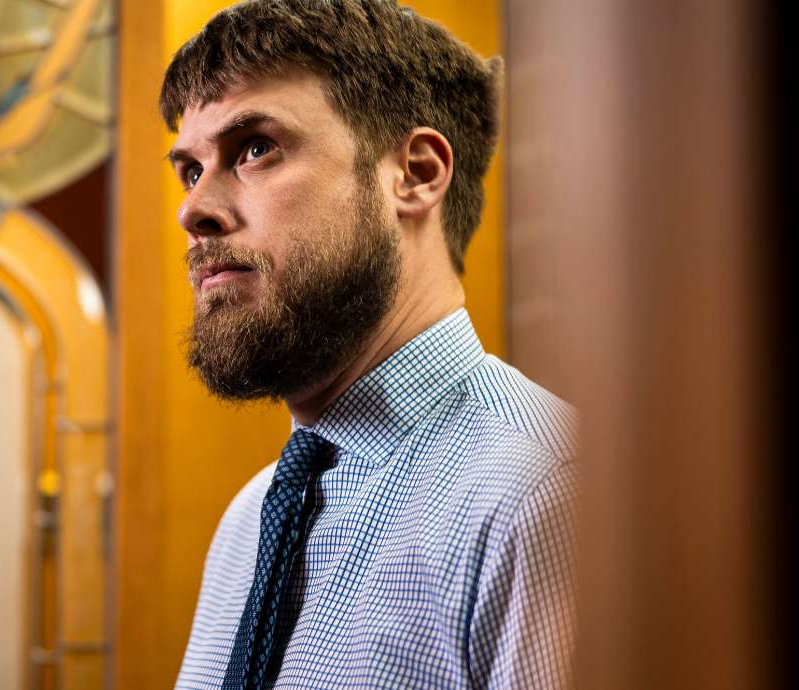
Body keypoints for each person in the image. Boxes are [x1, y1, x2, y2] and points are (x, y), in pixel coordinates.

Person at [159, 1, 578, 688]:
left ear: (414, 173)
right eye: (190, 169)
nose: (193, 209)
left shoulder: (540, 498)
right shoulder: (250, 520)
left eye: (254, 148)